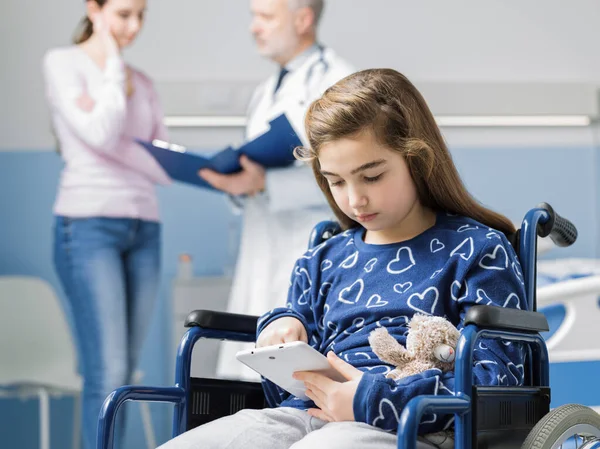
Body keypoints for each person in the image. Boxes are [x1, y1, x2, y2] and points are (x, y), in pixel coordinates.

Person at [157, 69, 527, 449]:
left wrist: (372, 399)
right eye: (336, 181)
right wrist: (280, 327)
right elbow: (282, 387)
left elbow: (496, 382)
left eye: (372, 177)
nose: (354, 200)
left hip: (410, 424)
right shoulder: (322, 260)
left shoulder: (476, 249)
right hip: (305, 412)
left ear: (417, 160)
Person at [42, 1, 170, 448]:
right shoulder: (64, 64)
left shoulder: (146, 81)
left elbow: (158, 157)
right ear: (93, 9)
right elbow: (99, 133)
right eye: (123, 14)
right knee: (108, 370)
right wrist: (114, 66)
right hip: (88, 225)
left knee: (126, 372)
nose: (133, 27)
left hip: (144, 229)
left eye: (141, 16)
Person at [209, 0, 356, 381]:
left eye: (265, 17)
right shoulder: (264, 92)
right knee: (246, 377)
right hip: (262, 245)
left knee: (297, 375)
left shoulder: (338, 81)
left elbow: (346, 176)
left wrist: (266, 183)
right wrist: (239, 185)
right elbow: (256, 171)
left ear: (303, 19)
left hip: (306, 242)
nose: (254, 27)